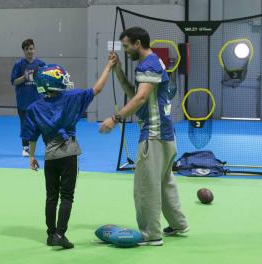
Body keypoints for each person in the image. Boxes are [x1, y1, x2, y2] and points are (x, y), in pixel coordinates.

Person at [99, 27, 189, 246]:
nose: (126, 50)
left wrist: (115, 118)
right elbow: (136, 94)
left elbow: (139, 99)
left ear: (138, 43)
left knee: (145, 187)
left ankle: (151, 234)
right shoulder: (152, 63)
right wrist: (118, 70)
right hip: (166, 135)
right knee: (164, 182)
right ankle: (179, 224)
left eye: (127, 46)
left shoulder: (148, 65)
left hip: (154, 135)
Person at [21, 60, 114, 249]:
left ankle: (50, 234)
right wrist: (108, 67)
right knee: (67, 196)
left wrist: (31, 157)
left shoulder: (34, 108)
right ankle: (60, 234)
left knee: (51, 196)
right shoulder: (73, 97)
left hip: (49, 156)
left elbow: (31, 136)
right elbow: (97, 89)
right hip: (69, 154)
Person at [10, 39, 46, 156]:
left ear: (34, 49)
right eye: (27, 49)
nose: (29, 51)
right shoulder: (18, 64)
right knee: (25, 125)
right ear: (23, 51)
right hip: (23, 102)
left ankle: (49, 146)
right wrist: (25, 77)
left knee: (42, 124)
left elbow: (46, 81)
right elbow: (14, 82)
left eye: (31, 48)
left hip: (38, 101)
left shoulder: (41, 64)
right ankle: (25, 148)